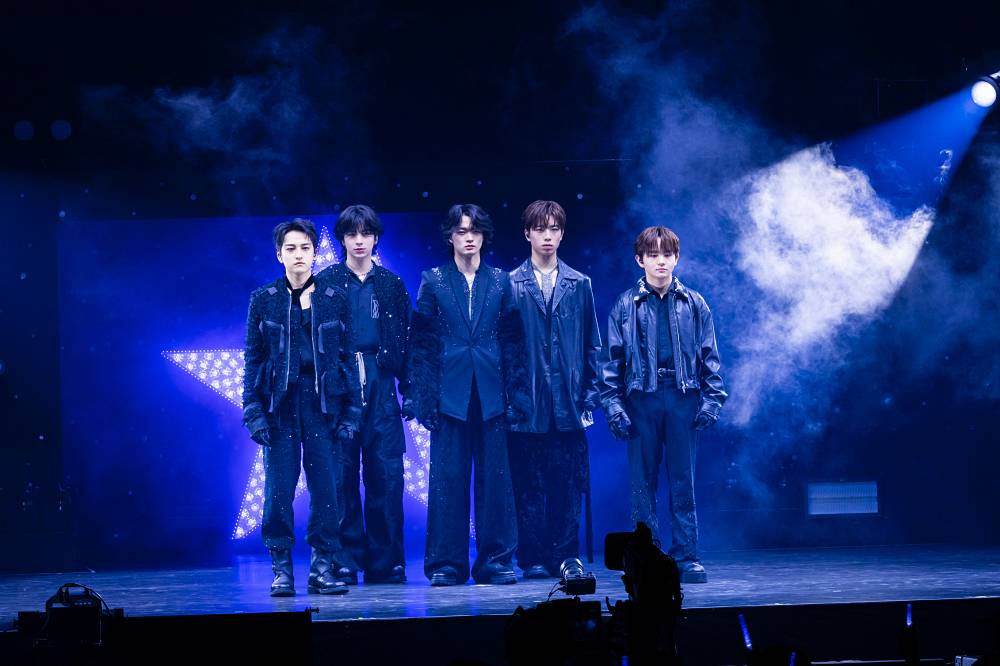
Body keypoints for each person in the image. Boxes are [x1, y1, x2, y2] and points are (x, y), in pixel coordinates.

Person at [405, 203, 530, 586]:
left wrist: (517, 396)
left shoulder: (501, 281)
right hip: (449, 394)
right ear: (450, 237)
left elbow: (513, 340)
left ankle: (496, 561)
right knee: (447, 480)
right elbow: (422, 341)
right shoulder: (433, 280)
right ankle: (446, 563)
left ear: (484, 236)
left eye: (474, 230)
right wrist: (423, 397)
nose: (469, 237)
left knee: (496, 481)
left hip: (493, 392)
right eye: (461, 231)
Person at [600, 226, 726, 584]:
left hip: (683, 397)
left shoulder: (694, 303)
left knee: (683, 479)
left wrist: (712, 400)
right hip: (641, 398)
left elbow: (710, 356)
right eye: (653, 255)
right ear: (639, 259)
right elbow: (612, 361)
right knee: (643, 482)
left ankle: (686, 555)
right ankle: (648, 557)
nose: (660, 261)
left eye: (667, 254)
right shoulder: (625, 305)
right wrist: (614, 407)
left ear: (676, 258)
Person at [242, 218, 360, 596]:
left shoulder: (334, 297)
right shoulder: (263, 299)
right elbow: (252, 360)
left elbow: (347, 358)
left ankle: (322, 568)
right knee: (278, 491)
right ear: (279, 255)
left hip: (323, 405)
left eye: (305, 248)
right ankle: (282, 570)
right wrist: (254, 412)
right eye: (290, 248)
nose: (298, 255)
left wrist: (351, 413)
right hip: (279, 406)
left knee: (327, 490)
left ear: (314, 253)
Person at [507, 200, 602, 579]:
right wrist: (511, 397)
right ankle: (531, 556)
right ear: (527, 233)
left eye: (554, 229)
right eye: (540, 229)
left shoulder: (580, 284)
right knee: (528, 485)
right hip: (526, 404)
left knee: (567, 484)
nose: (547, 236)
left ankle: (565, 555)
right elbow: (504, 347)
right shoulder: (510, 284)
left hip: (568, 402)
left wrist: (590, 395)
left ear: (562, 234)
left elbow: (592, 345)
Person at [319, 204, 411, 585]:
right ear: (342, 239)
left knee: (386, 474)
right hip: (341, 384)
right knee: (340, 475)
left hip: (380, 380)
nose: (359, 241)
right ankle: (344, 559)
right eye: (352, 234)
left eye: (366, 233)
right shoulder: (325, 283)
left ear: (375, 238)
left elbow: (407, 340)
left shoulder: (391, 284)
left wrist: (411, 390)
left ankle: (386, 561)